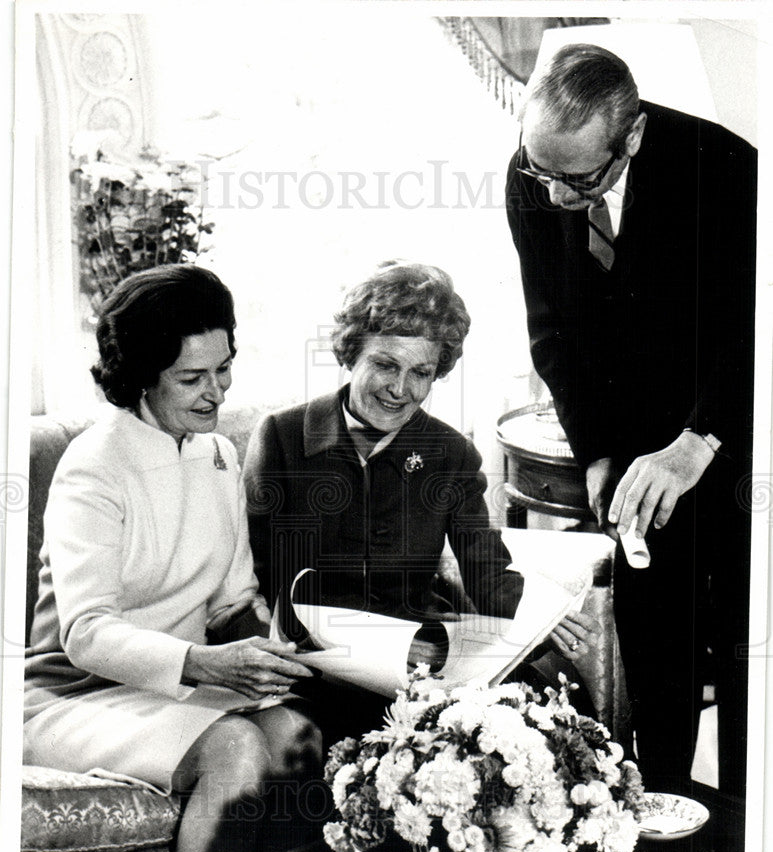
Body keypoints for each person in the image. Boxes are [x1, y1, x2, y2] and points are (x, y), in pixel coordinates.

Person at [505, 43, 756, 794]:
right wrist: (597, 454)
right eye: (541, 175)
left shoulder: (728, 169)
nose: (552, 197)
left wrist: (696, 442)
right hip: (632, 448)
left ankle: (743, 842)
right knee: (654, 645)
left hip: (733, 439)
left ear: (633, 137)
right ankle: (660, 811)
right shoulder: (534, 168)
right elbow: (549, 329)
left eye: (578, 180)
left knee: (742, 649)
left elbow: (756, 326)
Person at [24, 265, 321, 852]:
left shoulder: (217, 454)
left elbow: (231, 599)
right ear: (140, 378)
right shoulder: (93, 467)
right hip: (71, 695)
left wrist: (274, 646)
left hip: (168, 688)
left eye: (224, 368)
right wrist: (205, 663)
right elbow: (85, 632)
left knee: (298, 736)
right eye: (192, 377)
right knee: (236, 747)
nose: (217, 393)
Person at [243, 261, 595, 742]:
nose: (400, 389)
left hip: (420, 658)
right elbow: (257, 576)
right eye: (385, 364)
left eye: (421, 373)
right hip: (315, 668)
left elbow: (488, 573)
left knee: (562, 702)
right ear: (351, 354)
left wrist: (544, 618)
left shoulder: (450, 454)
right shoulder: (282, 437)